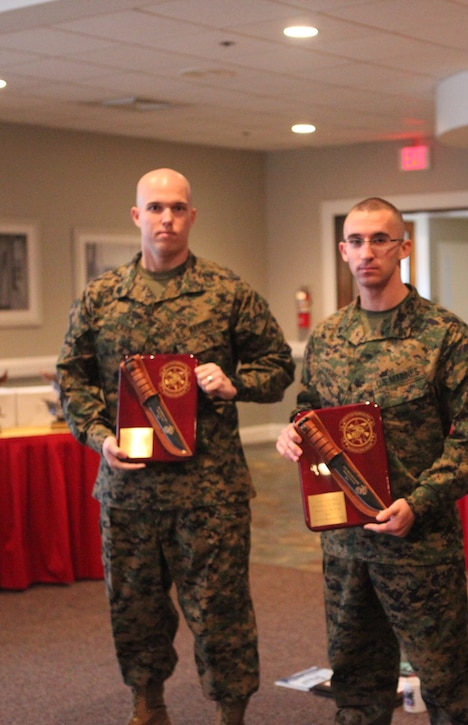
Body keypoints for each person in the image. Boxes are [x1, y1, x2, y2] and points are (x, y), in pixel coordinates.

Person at [57, 168, 295, 725]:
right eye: (156, 208)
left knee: (221, 609)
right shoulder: (101, 298)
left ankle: (230, 711)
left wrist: (235, 383)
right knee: (134, 608)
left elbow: (279, 367)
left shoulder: (227, 292)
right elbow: (72, 377)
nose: (167, 218)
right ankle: (147, 703)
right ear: (137, 216)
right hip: (129, 484)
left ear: (192, 216)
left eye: (178, 208)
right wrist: (99, 436)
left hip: (208, 490)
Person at [275, 197, 468, 725]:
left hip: (418, 541)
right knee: (355, 679)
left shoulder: (444, 335)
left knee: (446, 679)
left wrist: (418, 503)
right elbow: (311, 410)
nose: (367, 252)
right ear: (342, 250)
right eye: (356, 241)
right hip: (345, 543)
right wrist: (293, 431)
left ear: (404, 247)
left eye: (379, 239)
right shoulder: (328, 337)